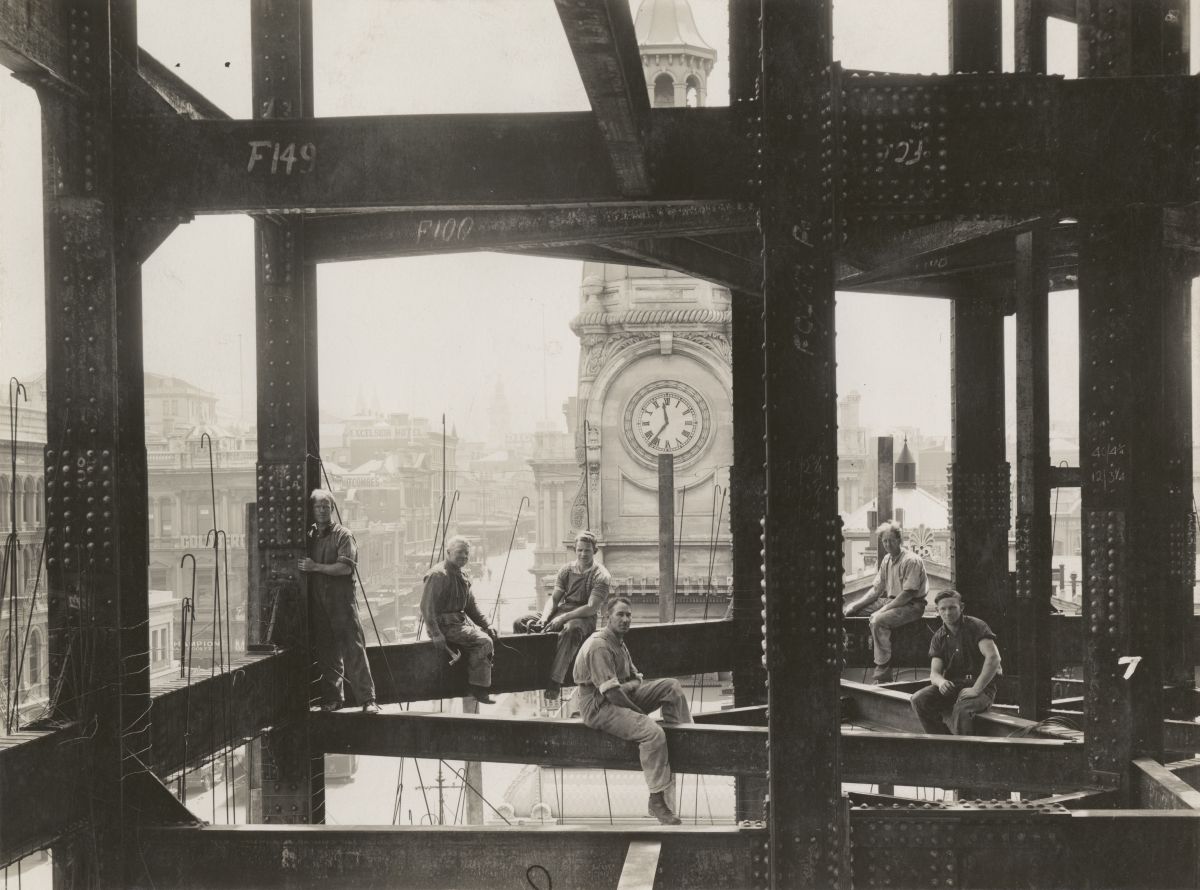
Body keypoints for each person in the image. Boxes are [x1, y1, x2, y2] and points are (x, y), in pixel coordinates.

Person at [573, 596, 692, 826]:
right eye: (620, 614)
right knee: (652, 733)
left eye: (628, 615)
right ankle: (656, 800)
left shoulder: (618, 642)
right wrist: (639, 711)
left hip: (617, 695)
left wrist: (628, 686)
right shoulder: (599, 645)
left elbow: (636, 679)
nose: (626, 619)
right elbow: (611, 694)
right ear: (607, 617)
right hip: (598, 707)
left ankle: (684, 738)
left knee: (672, 687)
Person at [299, 489, 380, 714]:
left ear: (333, 509)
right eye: (318, 507)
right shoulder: (310, 537)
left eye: (326, 506)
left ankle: (367, 700)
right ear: (312, 510)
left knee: (353, 650)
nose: (323, 510)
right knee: (327, 652)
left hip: (341, 603)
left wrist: (316, 567)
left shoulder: (343, 535)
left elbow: (345, 567)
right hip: (319, 603)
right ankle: (333, 699)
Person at [514, 530, 611, 701]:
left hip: (584, 618)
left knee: (571, 630)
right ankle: (526, 669)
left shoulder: (601, 575)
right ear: (575, 549)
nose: (583, 554)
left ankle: (555, 681)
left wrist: (562, 618)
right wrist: (544, 618)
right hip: (563, 610)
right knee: (521, 622)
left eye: (587, 550)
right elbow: (554, 598)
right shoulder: (566, 570)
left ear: (594, 551)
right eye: (580, 550)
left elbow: (591, 607)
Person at [844, 520, 928, 683]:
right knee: (855, 611)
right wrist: (855, 605)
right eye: (884, 541)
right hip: (892, 601)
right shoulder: (887, 560)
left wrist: (881, 611)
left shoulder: (911, 560)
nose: (888, 544)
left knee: (878, 620)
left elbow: (907, 595)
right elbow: (876, 590)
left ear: (899, 540)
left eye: (891, 540)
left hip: (912, 606)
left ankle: (883, 668)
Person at [911, 589, 1002, 735]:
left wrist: (976, 689)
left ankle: (964, 754)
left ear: (962, 607)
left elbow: (993, 658)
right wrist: (941, 682)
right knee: (918, 700)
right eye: (943, 609)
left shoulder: (976, 626)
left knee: (962, 710)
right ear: (937, 610)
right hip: (955, 686)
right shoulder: (938, 637)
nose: (947, 613)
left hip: (982, 688)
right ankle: (944, 743)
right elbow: (934, 673)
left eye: (952, 607)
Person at [421, 536, 499, 704]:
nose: (464, 556)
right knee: (484, 642)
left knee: (486, 635)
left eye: (466, 553)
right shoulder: (438, 575)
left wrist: (487, 624)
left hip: (458, 624)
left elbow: (471, 606)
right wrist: (436, 634)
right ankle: (478, 688)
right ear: (448, 553)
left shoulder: (462, 575)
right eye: (459, 553)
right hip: (444, 627)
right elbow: (426, 607)